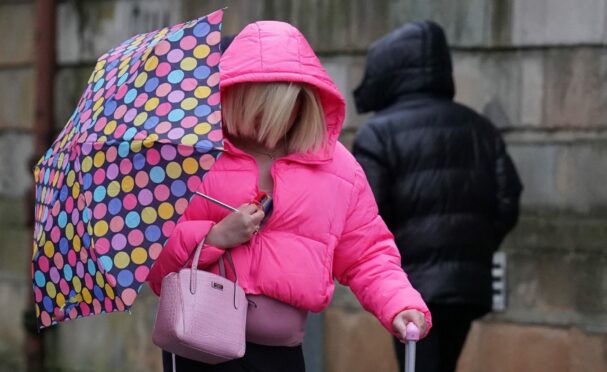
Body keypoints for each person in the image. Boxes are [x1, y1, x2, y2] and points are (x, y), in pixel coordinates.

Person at [147, 21, 432, 372]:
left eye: (287, 108)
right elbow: (153, 256)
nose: (274, 123)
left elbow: (367, 253)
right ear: (234, 96)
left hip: (280, 355)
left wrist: (399, 303)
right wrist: (215, 237)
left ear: (304, 101)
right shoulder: (191, 155)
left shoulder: (337, 168)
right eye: (262, 109)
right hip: (196, 345)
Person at [352, 20, 523, 372]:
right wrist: (475, 244)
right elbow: (508, 199)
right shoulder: (480, 128)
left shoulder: (378, 134)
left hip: (407, 286)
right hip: (467, 283)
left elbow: (368, 213)